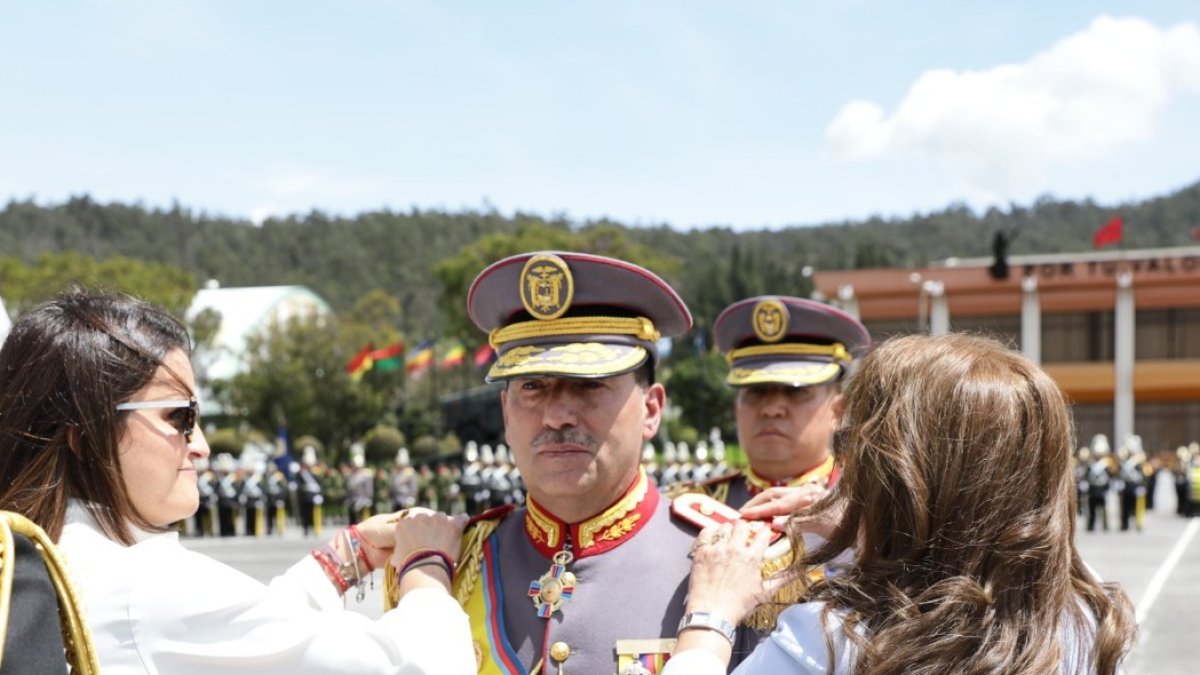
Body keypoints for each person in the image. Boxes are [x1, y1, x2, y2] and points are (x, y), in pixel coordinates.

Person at [0, 289, 475, 675]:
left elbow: (246, 633)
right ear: (83, 436)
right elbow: (411, 667)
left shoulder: (46, 552)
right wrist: (426, 565)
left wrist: (346, 557)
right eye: (179, 417)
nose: (202, 445)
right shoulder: (144, 586)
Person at [664, 334, 1137, 675]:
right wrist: (861, 525)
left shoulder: (832, 642)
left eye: (861, 448)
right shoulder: (1085, 615)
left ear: (903, 479)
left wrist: (709, 616)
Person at [387, 251, 746, 674]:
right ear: (505, 412)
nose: (557, 415)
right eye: (533, 386)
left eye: (588, 385)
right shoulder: (450, 564)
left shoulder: (729, 561)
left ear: (652, 410)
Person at [684, 296, 869, 509]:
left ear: (837, 411)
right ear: (736, 409)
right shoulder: (695, 508)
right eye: (756, 391)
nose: (771, 409)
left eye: (795, 391)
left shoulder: (866, 509)